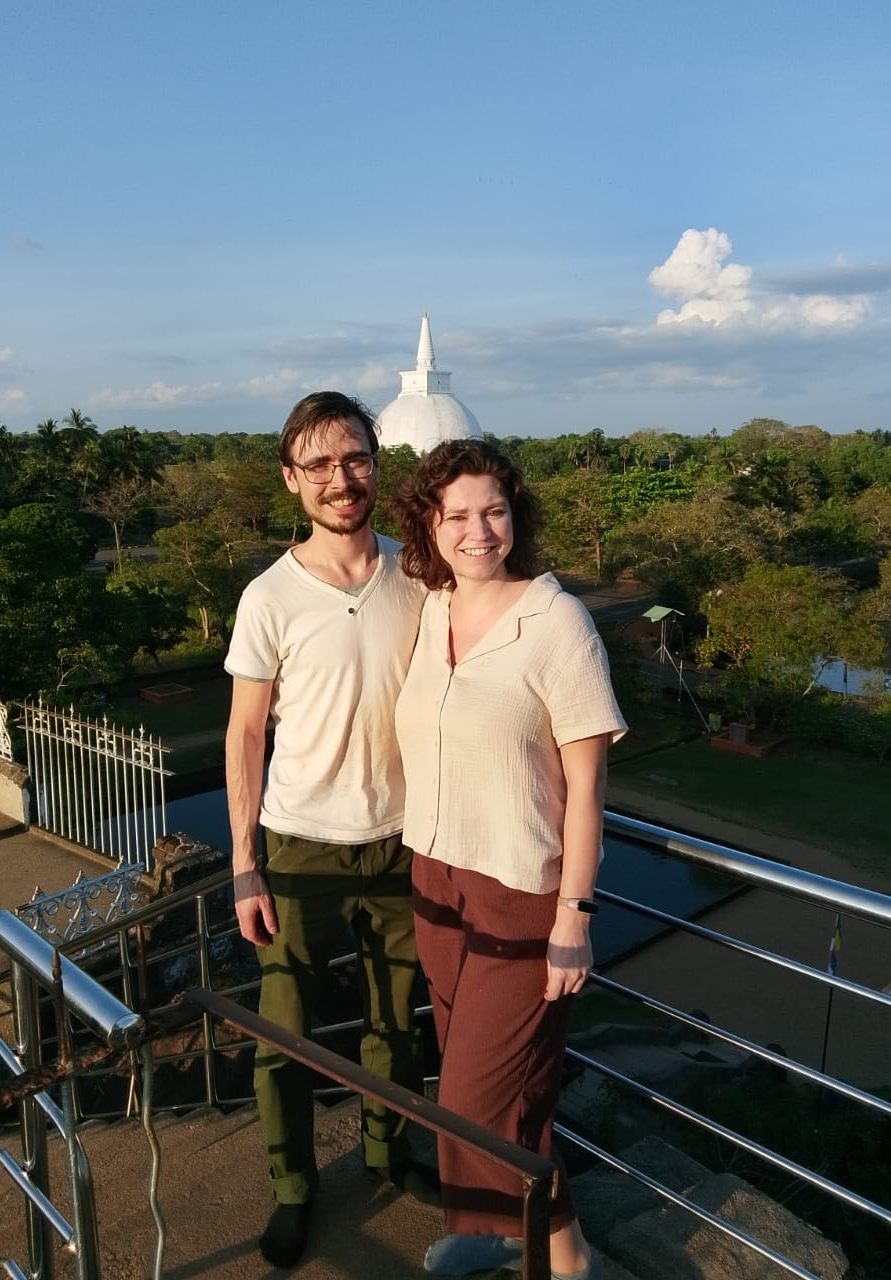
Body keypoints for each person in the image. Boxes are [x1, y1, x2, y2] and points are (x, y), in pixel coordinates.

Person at [392, 439, 627, 1280]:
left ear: (516, 517)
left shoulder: (556, 621)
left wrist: (575, 917)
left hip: (523, 894)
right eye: (455, 514)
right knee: (509, 1099)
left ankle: (539, 1248)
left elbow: (588, 787)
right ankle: (525, 1244)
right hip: (435, 881)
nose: (476, 531)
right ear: (431, 523)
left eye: (492, 510)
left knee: (472, 1098)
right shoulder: (431, 607)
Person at [224, 391, 437, 1269]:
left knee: (396, 1018)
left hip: (399, 839)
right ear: (291, 481)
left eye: (354, 460)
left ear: (375, 465)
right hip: (301, 846)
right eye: (319, 465)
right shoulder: (269, 596)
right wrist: (245, 865)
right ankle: (293, 1187)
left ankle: (388, 1152)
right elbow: (243, 735)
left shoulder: (417, 575)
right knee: (285, 1034)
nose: (340, 480)